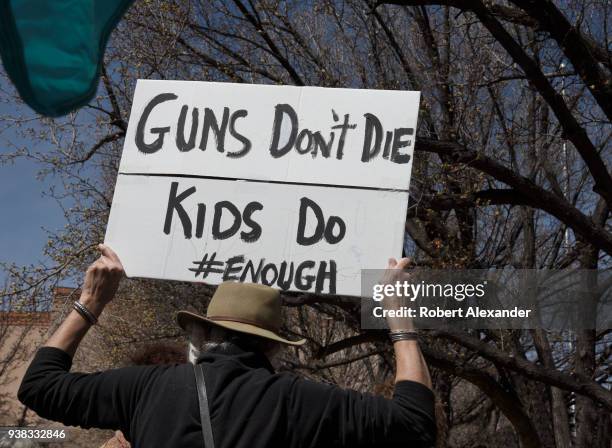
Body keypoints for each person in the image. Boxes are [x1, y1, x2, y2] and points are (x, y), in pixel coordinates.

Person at [18, 244, 435, 448]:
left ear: (198, 336)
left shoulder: (144, 388)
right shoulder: (300, 400)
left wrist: (91, 303)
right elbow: (415, 422)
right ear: (274, 348)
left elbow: (39, 386)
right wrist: (397, 314)